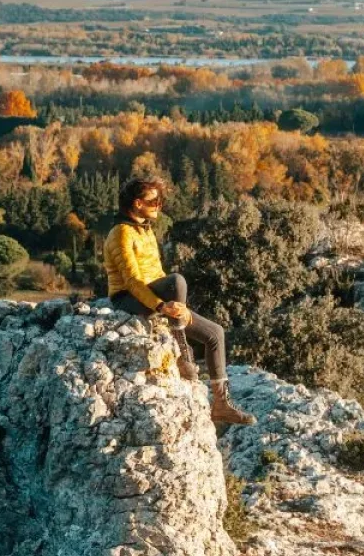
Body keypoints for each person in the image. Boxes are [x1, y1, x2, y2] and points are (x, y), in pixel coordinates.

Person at [104, 177, 255, 426]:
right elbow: (131, 281)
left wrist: (175, 307)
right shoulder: (121, 232)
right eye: (155, 201)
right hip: (127, 300)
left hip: (155, 298)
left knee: (215, 333)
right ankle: (181, 351)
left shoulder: (146, 229)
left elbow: (156, 275)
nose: (159, 205)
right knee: (177, 281)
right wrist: (162, 306)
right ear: (138, 203)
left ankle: (221, 405)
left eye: (161, 201)